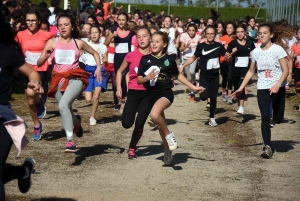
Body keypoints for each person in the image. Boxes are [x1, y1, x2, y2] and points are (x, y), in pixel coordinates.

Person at [137, 31, 205, 166]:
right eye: (153, 41)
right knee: (159, 121)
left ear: (164, 44)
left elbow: (178, 76)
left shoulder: (170, 59)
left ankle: (169, 136)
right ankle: (167, 150)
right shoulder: (145, 59)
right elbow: (139, 80)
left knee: (154, 115)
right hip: (151, 95)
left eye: (157, 41)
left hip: (165, 94)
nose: (154, 43)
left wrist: (193, 87)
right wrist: (146, 78)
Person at [37, 13, 102, 152]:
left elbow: (95, 53)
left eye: (66, 24)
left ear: (72, 26)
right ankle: (76, 121)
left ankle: (70, 141)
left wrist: (98, 67)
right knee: (64, 109)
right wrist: (46, 56)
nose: (63, 27)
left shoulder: (78, 43)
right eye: (60, 25)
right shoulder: (52, 42)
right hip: (58, 80)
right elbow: (39, 62)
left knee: (63, 105)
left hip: (76, 78)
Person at [231, 23, 289, 159]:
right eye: (260, 33)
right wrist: (240, 88)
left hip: (278, 88)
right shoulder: (256, 52)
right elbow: (251, 71)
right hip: (262, 87)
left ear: (271, 35)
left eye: (265, 33)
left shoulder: (278, 49)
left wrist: (277, 85)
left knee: (278, 119)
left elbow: (285, 70)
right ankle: (267, 146)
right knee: (264, 117)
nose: (262, 35)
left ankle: (276, 118)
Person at [0, 8, 38, 198]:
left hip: (2, 119)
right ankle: (22, 172)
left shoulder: (7, 53)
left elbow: (32, 72)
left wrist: (35, 83)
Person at [15, 9, 51, 140]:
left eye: (33, 20)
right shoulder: (20, 35)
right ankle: (37, 125)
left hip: (40, 69)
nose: (30, 23)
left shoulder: (46, 35)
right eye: (28, 20)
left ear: (39, 21)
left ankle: (38, 101)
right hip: (26, 69)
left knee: (31, 93)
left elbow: (56, 44)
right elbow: (15, 48)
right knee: (30, 101)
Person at [180, 25, 227, 127]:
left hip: (215, 75)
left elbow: (227, 58)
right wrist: (183, 65)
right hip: (204, 76)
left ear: (215, 34)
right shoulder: (201, 46)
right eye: (208, 34)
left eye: (212, 34)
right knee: (203, 97)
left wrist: (229, 56)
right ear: (205, 34)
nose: (210, 36)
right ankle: (199, 88)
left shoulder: (219, 46)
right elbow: (193, 58)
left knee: (213, 98)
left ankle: (212, 118)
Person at [116, 27, 151, 159]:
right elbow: (119, 71)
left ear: (150, 38)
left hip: (148, 94)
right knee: (126, 123)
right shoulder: (131, 55)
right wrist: (119, 87)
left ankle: (132, 148)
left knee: (140, 122)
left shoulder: (155, 55)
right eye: (139, 37)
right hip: (133, 92)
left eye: (144, 36)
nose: (142, 39)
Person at [104, 12, 135, 113]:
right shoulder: (113, 30)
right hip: (117, 58)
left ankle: (127, 101)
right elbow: (105, 44)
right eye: (119, 20)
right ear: (117, 20)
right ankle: (123, 100)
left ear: (126, 21)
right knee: (120, 79)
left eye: (123, 20)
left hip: (128, 58)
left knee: (128, 78)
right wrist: (112, 36)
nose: (121, 22)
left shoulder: (131, 33)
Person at [226, 23, 255, 115]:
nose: (240, 34)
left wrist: (252, 54)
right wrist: (232, 53)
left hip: (245, 69)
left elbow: (254, 53)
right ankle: (239, 104)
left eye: (242, 32)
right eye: (238, 32)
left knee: (241, 85)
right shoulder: (232, 44)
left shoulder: (250, 43)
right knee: (236, 87)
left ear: (245, 32)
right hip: (235, 69)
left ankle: (242, 107)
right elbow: (228, 59)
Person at [84, 26, 107, 125]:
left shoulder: (103, 47)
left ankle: (92, 117)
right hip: (88, 72)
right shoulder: (86, 45)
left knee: (96, 96)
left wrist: (105, 62)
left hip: (99, 72)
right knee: (88, 99)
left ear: (100, 34)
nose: (93, 34)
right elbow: (79, 54)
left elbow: (105, 60)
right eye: (92, 32)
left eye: (96, 32)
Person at [179, 23, 201, 101]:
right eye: (190, 30)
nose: (191, 32)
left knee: (192, 72)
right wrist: (186, 45)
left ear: (195, 31)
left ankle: (193, 84)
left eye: (193, 30)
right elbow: (181, 49)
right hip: (185, 58)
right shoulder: (184, 36)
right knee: (188, 77)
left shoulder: (198, 38)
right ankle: (192, 93)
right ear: (187, 31)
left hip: (194, 58)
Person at [219, 21, 235, 104]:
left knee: (230, 78)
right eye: (227, 28)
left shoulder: (235, 38)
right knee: (224, 77)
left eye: (230, 28)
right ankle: (223, 92)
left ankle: (229, 96)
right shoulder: (221, 38)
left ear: (234, 29)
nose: (228, 29)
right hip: (223, 61)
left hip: (232, 61)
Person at [290, 27, 300, 111]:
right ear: (296, 35)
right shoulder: (294, 45)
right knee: (297, 88)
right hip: (297, 69)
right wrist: (294, 56)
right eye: (299, 33)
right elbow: (290, 58)